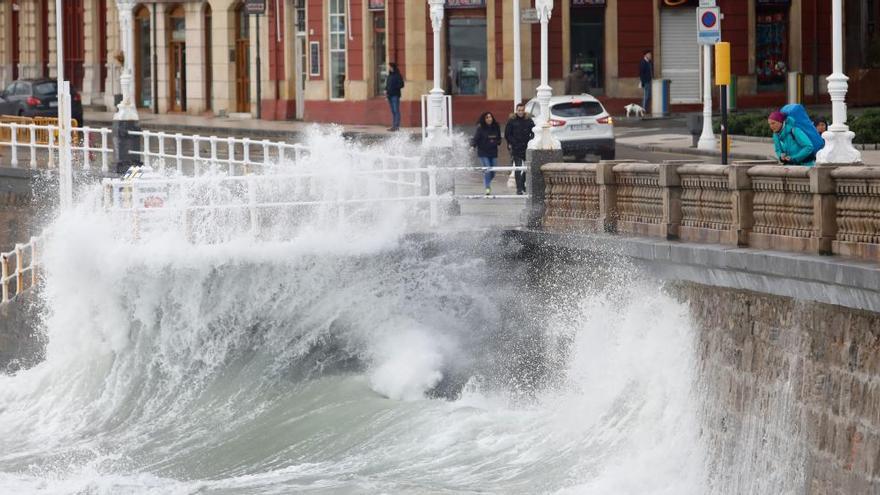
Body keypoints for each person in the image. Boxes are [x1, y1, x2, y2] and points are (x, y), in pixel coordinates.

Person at [504, 103, 535, 195]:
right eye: (519, 110)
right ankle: (519, 188)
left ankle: (522, 183)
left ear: (524, 110)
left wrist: (530, 140)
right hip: (516, 148)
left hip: (526, 147)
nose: (520, 112)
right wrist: (513, 143)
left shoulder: (528, 120)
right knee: (518, 167)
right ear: (516, 111)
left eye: (522, 110)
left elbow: (533, 132)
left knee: (527, 168)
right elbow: (507, 134)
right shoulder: (512, 121)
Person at [471, 112, 502, 196]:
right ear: (484, 119)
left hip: (493, 152)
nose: (489, 119)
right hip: (483, 152)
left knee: (493, 171)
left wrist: (497, 142)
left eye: (490, 117)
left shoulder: (496, 127)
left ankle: (486, 181)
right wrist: (473, 146)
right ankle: (487, 188)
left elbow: (499, 138)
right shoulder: (480, 128)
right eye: (487, 117)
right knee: (487, 170)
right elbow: (475, 139)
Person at [385, 62, 404, 131]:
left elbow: (401, 85)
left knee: (396, 110)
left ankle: (396, 126)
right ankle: (393, 126)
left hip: (395, 95)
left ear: (392, 67)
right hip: (389, 95)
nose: (389, 68)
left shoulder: (398, 75)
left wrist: (394, 88)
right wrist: (386, 90)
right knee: (393, 111)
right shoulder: (389, 76)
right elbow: (387, 85)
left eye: (389, 66)